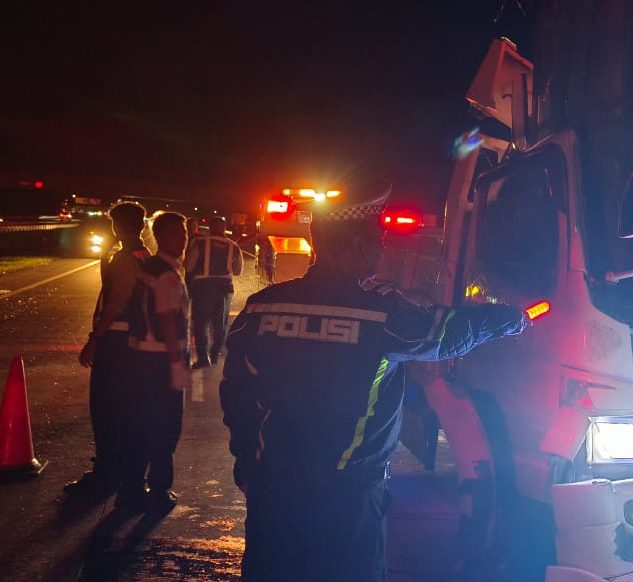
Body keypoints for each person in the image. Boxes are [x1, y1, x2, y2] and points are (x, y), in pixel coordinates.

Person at [220, 199, 529, 581]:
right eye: (376, 241)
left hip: (273, 485)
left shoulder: (261, 308)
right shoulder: (380, 314)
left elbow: (236, 394)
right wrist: (515, 318)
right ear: (354, 247)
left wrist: (247, 463)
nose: (382, 250)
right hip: (347, 494)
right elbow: (449, 334)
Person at [68, 201, 151, 496]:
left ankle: (106, 474)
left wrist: (95, 339)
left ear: (117, 226)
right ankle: (120, 470)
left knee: (105, 409)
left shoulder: (126, 259)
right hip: (134, 344)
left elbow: (115, 302)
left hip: (116, 344)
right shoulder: (144, 256)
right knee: (124, 411)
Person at [122, 212, 191, 513]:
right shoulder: (166, 274)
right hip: (161, 360)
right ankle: (160, 490)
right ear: (161, 236)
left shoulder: (148, 267)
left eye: (185, 234)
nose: (183, 239)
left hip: (139, 357)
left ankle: (132, 487)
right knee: (164, 427)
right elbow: (166, 320)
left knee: (138, 424)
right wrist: (177, 364)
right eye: (177, 233)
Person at [184, 216, 244, 368]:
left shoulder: (200, 242)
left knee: (201, 322)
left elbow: (189, 266)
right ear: (224, 228)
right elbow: (238, 271)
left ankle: (203, 358)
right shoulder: (233, 246)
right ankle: (215, 354)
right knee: (220, 323)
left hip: (203, 286)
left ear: (210, 228)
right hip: (225, 287)